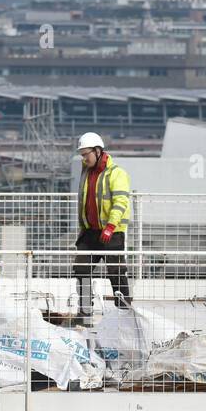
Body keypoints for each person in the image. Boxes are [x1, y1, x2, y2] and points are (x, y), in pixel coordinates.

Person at [73, 132, 132, 318]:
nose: (84, 158)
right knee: (82, 269)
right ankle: (84, 310)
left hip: (111, 233)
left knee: (116, 272)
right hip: (90, 232)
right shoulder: (87, 171)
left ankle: (124, 313)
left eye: (86, 154)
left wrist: (111, 226)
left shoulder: (117, 174)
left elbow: (121, 202)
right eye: (82, 155)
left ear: (98, 151)